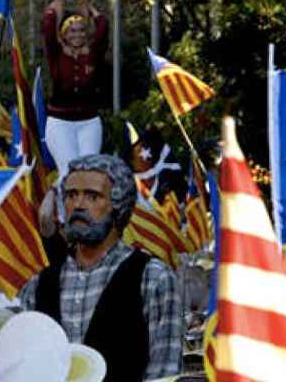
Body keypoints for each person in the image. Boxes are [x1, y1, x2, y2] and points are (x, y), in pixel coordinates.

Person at [19, 154, 183, 381]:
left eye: (92, 196)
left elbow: (164, 373)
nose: (78, 205)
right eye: (71, 195)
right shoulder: (37, 286)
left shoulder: (153, 279)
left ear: (118, 206)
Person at [41, 0, 108, 182]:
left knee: (88, 172)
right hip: (60, 122)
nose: (77, 35)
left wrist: (88, 6)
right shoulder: (57, 55)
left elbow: (103, 26)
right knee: (68, 172)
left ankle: (84, 211)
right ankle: (63, 210)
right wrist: (56, 5)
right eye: (72, 31)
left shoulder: (92, 54)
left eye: (81, 30)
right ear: (64, 34)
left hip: (89, 121)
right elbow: (47, 28)